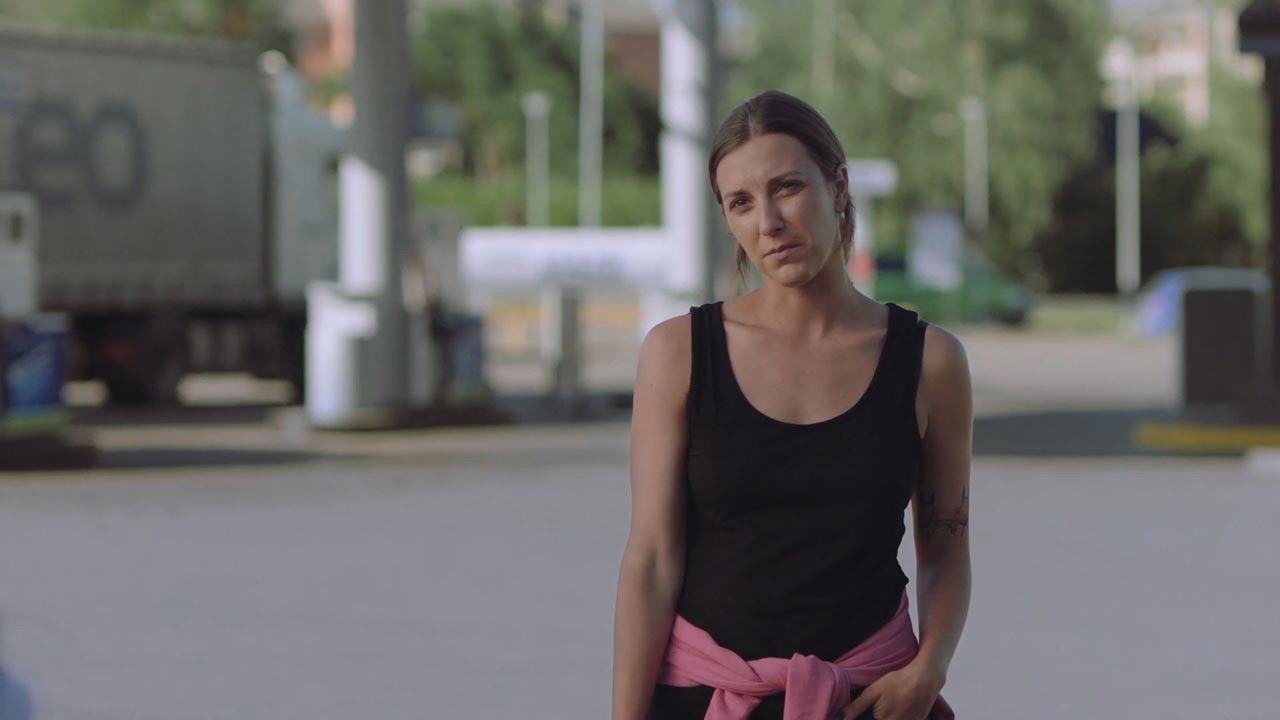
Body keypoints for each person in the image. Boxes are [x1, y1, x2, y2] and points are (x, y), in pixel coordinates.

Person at [611, 90, 972, 720]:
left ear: (838, 187)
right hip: (704, 700)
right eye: (741, 203)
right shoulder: (678, 354)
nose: (769, 222)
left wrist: (929, 669)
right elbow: (650, 562)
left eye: (787, 187)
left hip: (874, 700)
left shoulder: (929, 362)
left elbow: (944, 549)